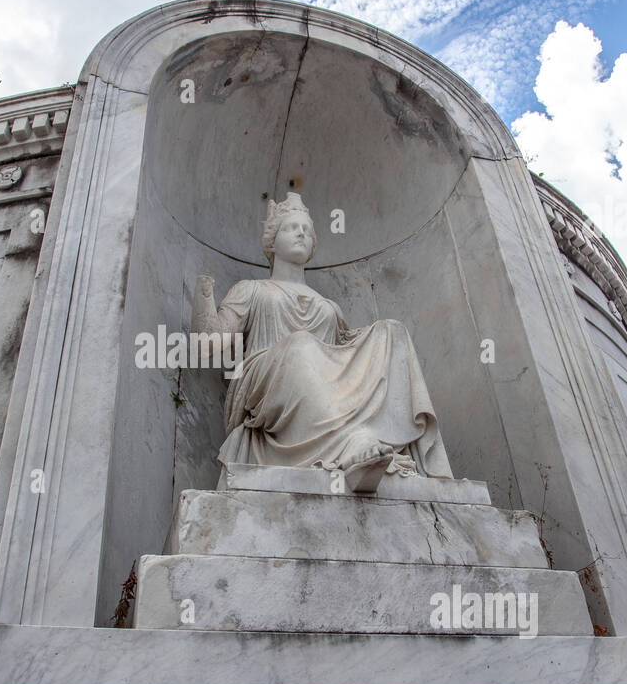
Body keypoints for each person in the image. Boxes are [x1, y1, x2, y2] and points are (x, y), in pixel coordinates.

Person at [192, 192, 451, 492]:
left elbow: (344, 355)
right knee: (302, 345)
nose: (301, 232)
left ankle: (375, 445)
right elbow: (208, 344)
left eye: (307, 229)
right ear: (272, 242)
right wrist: (204, 298)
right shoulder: (252, 289)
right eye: (291, 227)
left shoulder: (329, 306)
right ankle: (349, 445)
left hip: (323, 376)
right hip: (267, 381)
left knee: (392, 332)